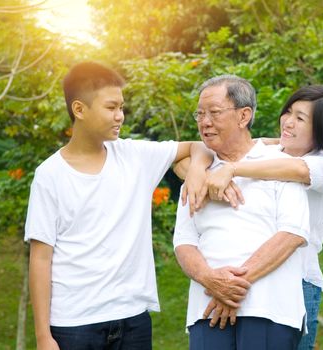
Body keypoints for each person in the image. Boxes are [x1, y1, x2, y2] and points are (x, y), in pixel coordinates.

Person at [25, 61, 205, 350]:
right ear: (79, 109)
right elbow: (41, 258)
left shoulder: (134, 156)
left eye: (122, 107)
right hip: (73, 324)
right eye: (111, 108)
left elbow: (199, 146)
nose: (120, 116)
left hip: (132, 318)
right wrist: (43, 336)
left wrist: (196, 171)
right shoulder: (50, 175)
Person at [201, 85, 323, 350]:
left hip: (296, 281)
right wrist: (195, 168)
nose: (288, 122)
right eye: (289, 112)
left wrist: (232, 169)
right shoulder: (275, 150)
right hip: (248, 275)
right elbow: (198, 149)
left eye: (301, 118)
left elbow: (294, 169)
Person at [173, 75, 310, 350]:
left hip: (269, 309)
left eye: (214, 112)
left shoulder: (281, 165)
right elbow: (184, 242)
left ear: (243, 115)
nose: (204, 122)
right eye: (200, 114)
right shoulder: (197, 175)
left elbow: (292, 234)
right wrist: (211, 280)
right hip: (207, 310)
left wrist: (231, 287)